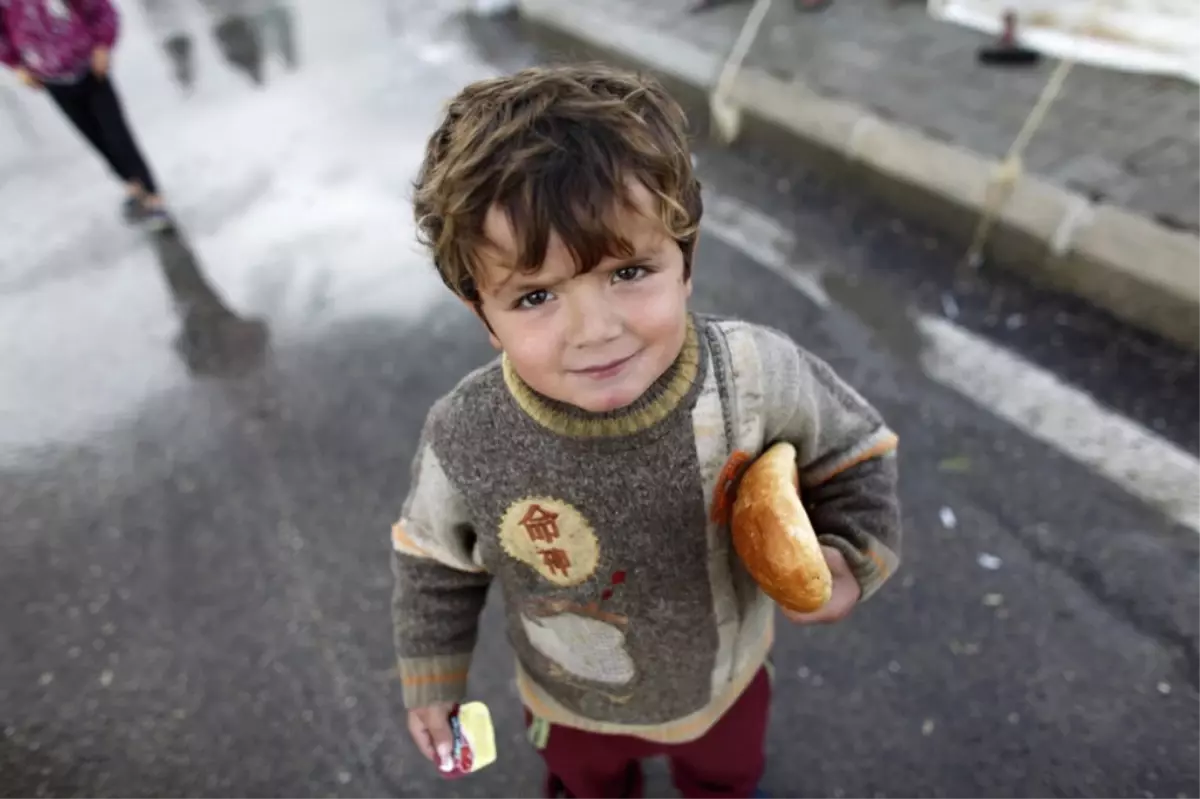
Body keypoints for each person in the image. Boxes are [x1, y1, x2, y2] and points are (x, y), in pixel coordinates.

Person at [393, 63, 903, 799]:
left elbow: (855, 456)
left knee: (725, 780)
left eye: (629, 272)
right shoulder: (467, 434)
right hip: (569, 704)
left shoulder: (756, 375)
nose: (595, 330)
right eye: (535, 295)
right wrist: (432, 673)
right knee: (590, 787)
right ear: (483, 316)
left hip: (723, 687)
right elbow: (434, 559)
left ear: (686, 260)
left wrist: (849, 556)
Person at [0, 0, 169, 228]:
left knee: (117, 134)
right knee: (94, 137)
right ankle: (132, 184)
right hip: (51, 77)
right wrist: (16, 64)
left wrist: (102, 44)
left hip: (88, 68)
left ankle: (153, 195)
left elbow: (100, 8)